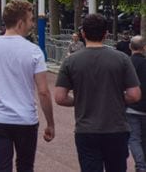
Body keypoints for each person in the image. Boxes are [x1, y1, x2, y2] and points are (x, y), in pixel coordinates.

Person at [0, 0, 55, 171]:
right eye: (31, 20)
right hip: (25, 119)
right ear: (20, 22)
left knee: (2, 168)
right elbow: (44, 92)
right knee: (25, 167)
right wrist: (50, 123)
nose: (33, 24)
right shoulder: (34, 51)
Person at [55, 14, 141, 172]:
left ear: (83, 34)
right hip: (116, 128)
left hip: (86, 129)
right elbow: (134, 95)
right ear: (105, 34)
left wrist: (79, 99)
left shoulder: (70, 61)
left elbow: (60, 97)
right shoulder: (122, 59)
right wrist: (116, 97)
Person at [127, 35, 146, 172]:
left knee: (134, 138)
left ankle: (140, 165)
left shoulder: (126, 63)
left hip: (131, 106)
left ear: (130, 47)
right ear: (144, 48)